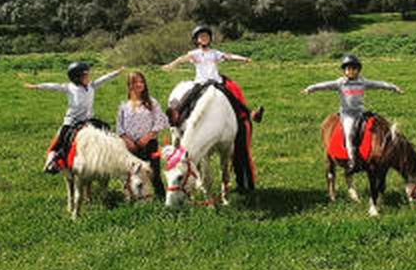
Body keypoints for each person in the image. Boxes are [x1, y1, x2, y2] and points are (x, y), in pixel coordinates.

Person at [303, 54, 401, 174]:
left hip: (361, 113)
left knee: (374, 129)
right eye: (348, 69)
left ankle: (371, 154)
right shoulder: (340, 83)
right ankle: (352, 160)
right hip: (347, 114)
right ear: (344, 71)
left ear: (358, 70)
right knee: (349, 133)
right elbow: (324, 85)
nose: (351, 71)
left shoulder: (362, 82)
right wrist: (310, 88)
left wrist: (393, 87)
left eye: (354, 69)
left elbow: (379, 84)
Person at [24, 62, 123, 173]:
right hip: (72, 121)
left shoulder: (91, 86)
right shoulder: (69, 88)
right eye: (85, 75)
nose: (88, 77)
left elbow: (105, 78)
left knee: (106, 129)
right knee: (61, 139)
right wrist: (36, 86)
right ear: (77, 78)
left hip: (88, 119)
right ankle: (52, 161)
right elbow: (52, 86)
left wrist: (117, 72)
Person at [161, 25, 263, 122]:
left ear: (210, 39)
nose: (204, 38)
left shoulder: (215, 53)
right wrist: (171, 65)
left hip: (215, 81)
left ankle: (251, 113)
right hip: (201, 81)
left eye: (206, 36)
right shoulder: (194, 53)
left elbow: (229, 56)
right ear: (196, 40)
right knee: (190, 95)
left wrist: (243, 58)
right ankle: (177, 113)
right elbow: (181, 59)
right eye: (201, 36)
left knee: (231, 96)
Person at [117, 71, 169, 199]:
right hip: (131, 146)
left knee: (154, 173)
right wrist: (127, 140)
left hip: (149, 144)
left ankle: (161, 197)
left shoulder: (152, 103)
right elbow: (119, 126)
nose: (140, 84)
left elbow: (160, 122)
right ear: (129, 85)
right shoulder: (124, 105)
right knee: (132, 172)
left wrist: (147, 137)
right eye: (136, 82)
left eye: (142, 81)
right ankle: (133, 196)